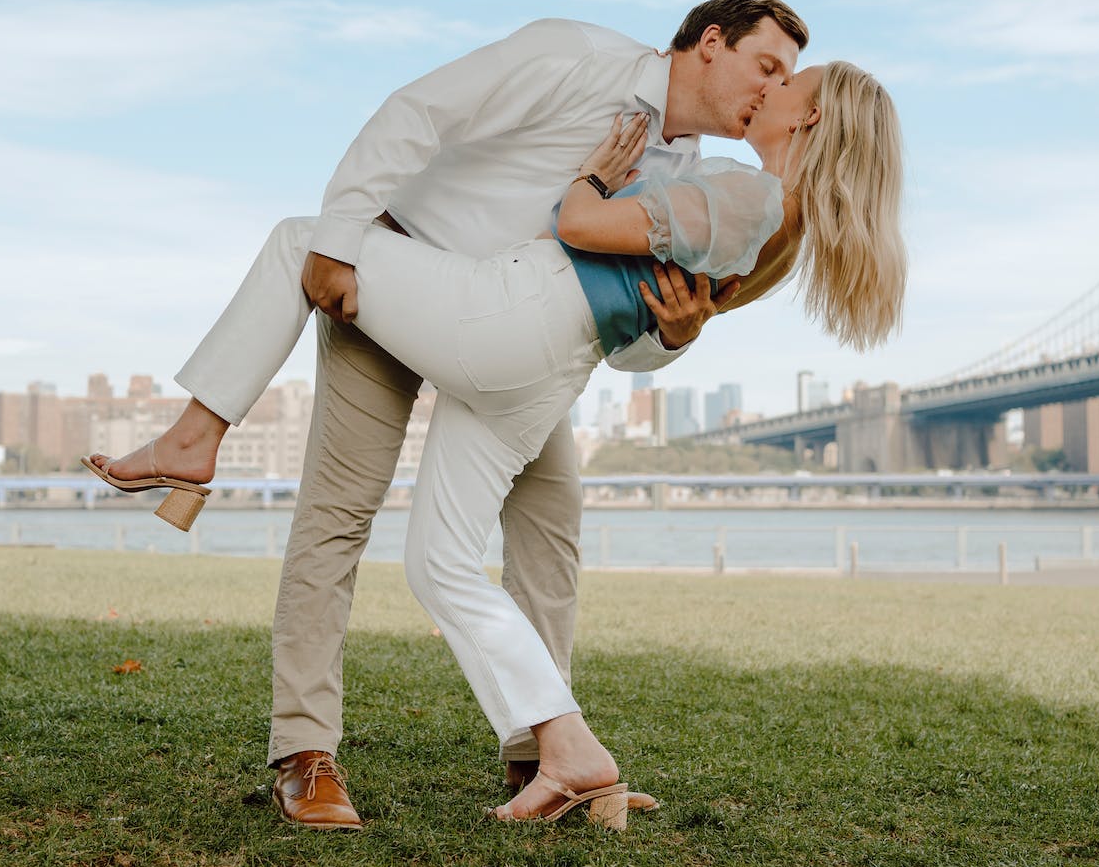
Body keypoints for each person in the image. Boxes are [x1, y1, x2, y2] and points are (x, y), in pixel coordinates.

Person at [90, 59, 906, 827]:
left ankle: (196, 438)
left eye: (788, 78)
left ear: (814, 114)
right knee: (437, 562)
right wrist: (679, 325)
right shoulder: (778, 228)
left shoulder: (746, 192)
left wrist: (592, 178)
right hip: (545, 367)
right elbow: (641, 312)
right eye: (769, 66)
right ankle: (565, 753)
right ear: (713, 43)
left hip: (508, 318)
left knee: (297, 238)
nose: (771, 90)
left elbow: (579, 222)